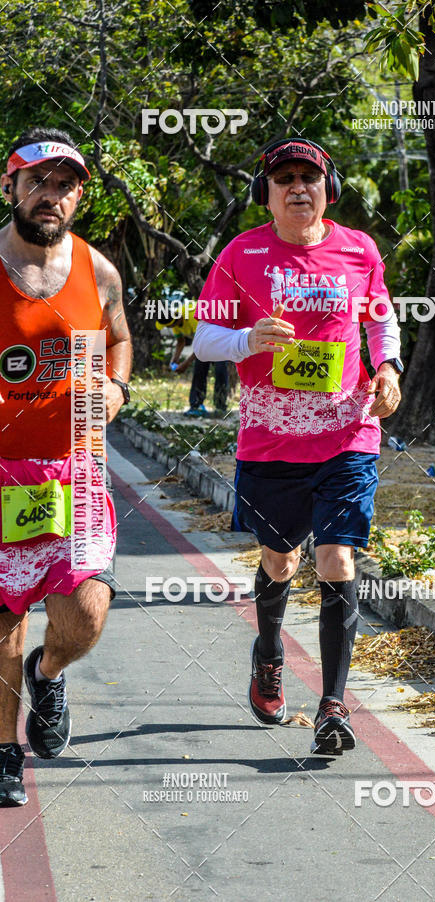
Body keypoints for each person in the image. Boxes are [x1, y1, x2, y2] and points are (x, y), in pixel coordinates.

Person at [193, 138, 402, 755]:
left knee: (337, 561)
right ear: (268, 193)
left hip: (348, 432)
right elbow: (205, 339)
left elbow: (379, 316)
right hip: (271, 438)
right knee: (280, 561)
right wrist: (247, 341)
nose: (297, 187)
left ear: (326, 187)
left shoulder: (358, 249)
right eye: (283, 178)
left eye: (308, 177)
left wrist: (387, 367)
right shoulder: (242, 252)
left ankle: (334, 706)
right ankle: (267, 654)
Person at [0, 127, 132, 806]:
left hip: (73, 470)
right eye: (38, 181)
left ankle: (48, 674)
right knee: (3, 614)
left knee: (85, 611)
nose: (51, 195)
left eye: (64, 184)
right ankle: (3, 752)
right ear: (10, 187)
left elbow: (119, 338)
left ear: (78, 196)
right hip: (0, 469)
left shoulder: (98, 270)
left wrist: (116, 386)